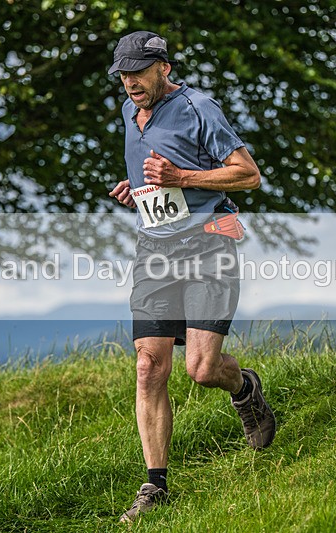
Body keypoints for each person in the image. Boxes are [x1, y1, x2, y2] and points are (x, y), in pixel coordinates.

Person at [107, 31, 276, 523]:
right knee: (148, 366)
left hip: (209, 245)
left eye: (139, 72)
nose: (130, 83)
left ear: (165, 67)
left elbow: (248, 174)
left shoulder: (200, 107)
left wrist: (182, 177)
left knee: (201, 369)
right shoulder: (128, 112)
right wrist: (137, 188)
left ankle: (244, 387)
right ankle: (155, 485)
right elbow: (154, 171)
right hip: (154, 250)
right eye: (123, 74)